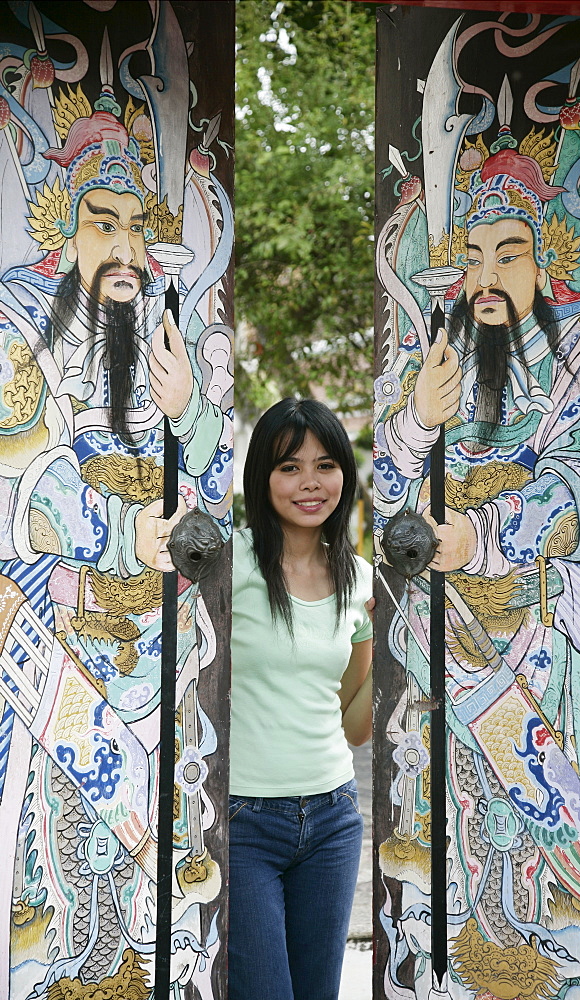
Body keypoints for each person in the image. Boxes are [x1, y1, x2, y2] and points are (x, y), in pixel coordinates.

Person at [376, 146, 580, 996]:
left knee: (535, 809)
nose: (487, 275)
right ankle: (476, 951)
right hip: (450, 631)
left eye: (509, 251)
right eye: (473, 256)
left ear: (544, 262)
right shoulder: (441, 366)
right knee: (462, 816)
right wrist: (417, 423)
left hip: (540, 627)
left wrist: (485, 537)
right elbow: (389, 500)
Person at [0, 86, 230, 992]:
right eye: (105, 224)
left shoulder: (169, 344)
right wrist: (111, 534)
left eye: (141, 227)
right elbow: (17, 488)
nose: (127, 248)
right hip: (54, 644)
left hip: (155, 653)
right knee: (63, 863)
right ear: (68, 234)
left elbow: (209, 513)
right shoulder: (22, 337)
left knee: (144, 870)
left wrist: (194, 419)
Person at [228, 397, 373, 1000]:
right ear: (262, 477)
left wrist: (402, 660)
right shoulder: (228, 562)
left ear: (345, 471)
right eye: (289, 467)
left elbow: (356, 722)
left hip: (334, 820)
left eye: (324, 465)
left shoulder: (361, 580)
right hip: (242, 822)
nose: (310, 483)